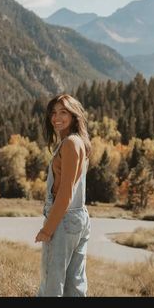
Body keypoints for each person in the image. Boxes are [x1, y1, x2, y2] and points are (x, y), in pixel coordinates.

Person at [35, 93, 91, 297]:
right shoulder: (78, 142)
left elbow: (66, 192)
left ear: (74, 115)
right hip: (78, 218)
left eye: (63, 112)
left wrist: (47, 229)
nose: (56, 117)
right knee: (74, 286)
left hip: (63, 220)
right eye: (53, 113)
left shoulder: (70, 143)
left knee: (52, 285)